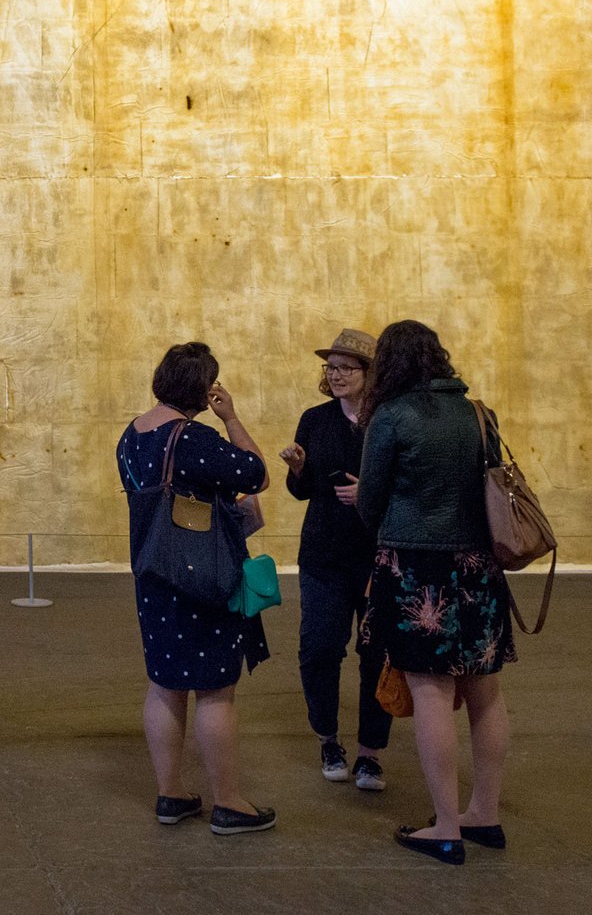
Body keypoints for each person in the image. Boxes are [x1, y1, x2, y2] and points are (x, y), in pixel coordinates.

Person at [356, 320, 515, 866]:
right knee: (485, 693)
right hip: (480, 567)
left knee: (429, 692)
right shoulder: (479, 414)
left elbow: (371, 501)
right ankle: (484, 814)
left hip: (416, 568)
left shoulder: (392, 417)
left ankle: (445, 826)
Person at [116, 342, 276, 835]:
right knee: (214, 691)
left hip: (153, 575)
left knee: (165, 684)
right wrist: (231, 418)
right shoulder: (193, 438)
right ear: (205, 390)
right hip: (202, 578)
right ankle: (228, 803)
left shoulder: (131, 435)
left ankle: (170, 795)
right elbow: (258, 473)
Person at [279, 328, 391, 791]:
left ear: (370, 373)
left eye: (347, 367)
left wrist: (369, 493)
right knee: (320, 647)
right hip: (324, 552)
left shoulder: (388, 421)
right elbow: (301, 492)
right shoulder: (315, 419)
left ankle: (369, 753)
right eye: (332, 367)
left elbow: (403, 485)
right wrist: (299, 470)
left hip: (379, 555)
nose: (337, 375)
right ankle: (328, 738)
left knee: (376, 654)